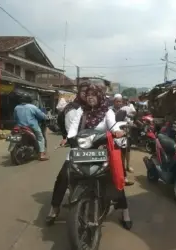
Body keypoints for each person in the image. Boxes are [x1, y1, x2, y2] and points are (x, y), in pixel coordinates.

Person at [46, 85, 133, 230]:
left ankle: (125, 212)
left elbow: (112, 125)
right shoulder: (81, 110)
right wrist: (68, 138)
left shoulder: (107, 111)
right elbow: (73, 127)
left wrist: (117, 132)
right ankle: (54, 208)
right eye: (88, 95)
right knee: (63, 175)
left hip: (101, 150)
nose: (90, 97)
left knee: (116, 176)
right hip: (80, 149)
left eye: (94, 95)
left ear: (99, 96)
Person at [14, 94, 48, 161]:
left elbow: (15, 117)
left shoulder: (16, 107)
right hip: (31, 126)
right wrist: (46, 116)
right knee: (40, 138)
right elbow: (41, 115)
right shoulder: (32, 107)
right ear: (29, 100)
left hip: (19, 126)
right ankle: (41, 155)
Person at [110, 94, 134, 186]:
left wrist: (128, 126)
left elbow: (128, 122)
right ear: (114, 102)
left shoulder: (124, 112)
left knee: (122, 158)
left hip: (122, 138)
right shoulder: (110, 111)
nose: (119, 103)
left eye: (120, 101)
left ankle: (124, 177)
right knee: (113, 158)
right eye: (117, 101)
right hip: (112, 137)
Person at [120, 96, 136, 173]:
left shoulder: (129, 107)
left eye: (125, 100)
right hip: (119, 131)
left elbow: (133, 114)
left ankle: (128, 166)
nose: (124, 101)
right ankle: (122, 167)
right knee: (121, 150)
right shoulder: (119, 108)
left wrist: (129, 116)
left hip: (127, 130)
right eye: (123, 100)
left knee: (127, 150)